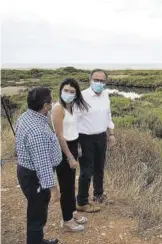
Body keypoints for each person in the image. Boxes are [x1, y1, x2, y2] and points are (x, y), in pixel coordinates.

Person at [15, 87, 62, 244]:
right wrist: (54, 190)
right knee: (37, 213)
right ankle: (35, 241)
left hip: (26, 170)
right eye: (51, 99)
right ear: (46, 105)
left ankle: (38, 240)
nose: (53, 102)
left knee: (36, 209)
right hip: (35, 177)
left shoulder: (26, 116)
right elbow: (43, 165)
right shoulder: (38, 132)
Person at [51, 78, 90, 232]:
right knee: (66, 186)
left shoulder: (72, 106)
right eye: (66, 90)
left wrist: (77, 148)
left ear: (76, 94)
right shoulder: (58, 108)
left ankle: (72, 212)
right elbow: (60, 135)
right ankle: (67, 220)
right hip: (63, 149)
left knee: (70, 183)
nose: (68, 93)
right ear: (61, 90)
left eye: (72, 91)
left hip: (73, 145)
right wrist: (69, 156)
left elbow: (74, 129)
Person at [76, 69, 116, 213]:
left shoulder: (105, 95)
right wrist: (76, 142)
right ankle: (82, 201)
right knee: (86, 171)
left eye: (102, 81)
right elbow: (74, 119)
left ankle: (98, 195)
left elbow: (108, 115)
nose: (99, 83)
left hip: (101, 136)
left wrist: (111, 133)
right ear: (90, 80)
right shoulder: (81, 96)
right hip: (85, 138)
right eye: (96, 80)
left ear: (105, 82)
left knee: (99, 167)